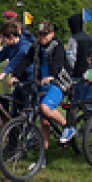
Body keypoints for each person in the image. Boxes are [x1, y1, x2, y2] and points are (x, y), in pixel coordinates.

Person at [7, 22, 74, 150]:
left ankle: (68, 127)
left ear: (52, 34)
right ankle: (42, 158)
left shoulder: (57, 45)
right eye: (40, 34)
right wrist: (15, 75)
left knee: (44, 107)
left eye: (45, 34)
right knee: (44, 123)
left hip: (58, 83)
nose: (42, 37)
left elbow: (58, 63)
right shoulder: (36, 46)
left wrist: (52, 76)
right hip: (41, 85)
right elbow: (26, 61)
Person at [66, 12, 92, 104]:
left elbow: (71, 58)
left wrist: (69, 71)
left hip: (77, 75)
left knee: (74, 102)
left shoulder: (74, 39)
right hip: (90, 73)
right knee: (88, 101)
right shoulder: (91, 39)